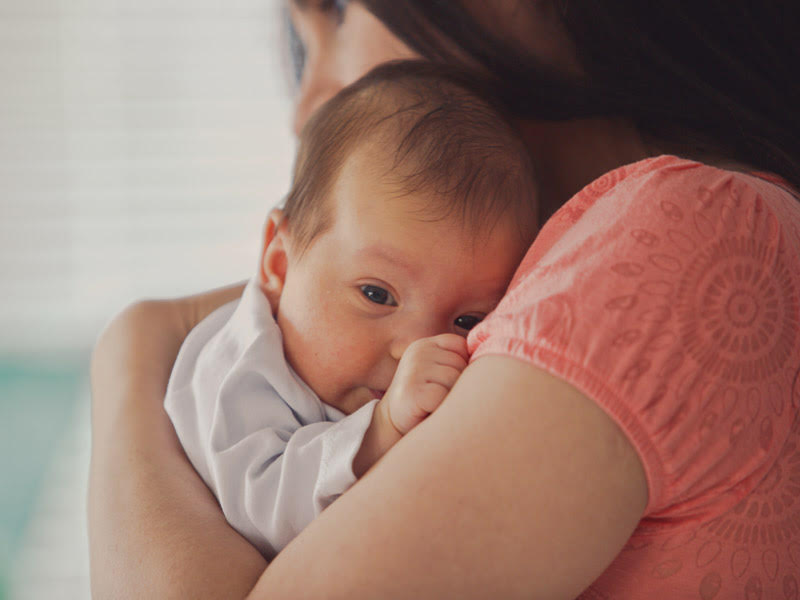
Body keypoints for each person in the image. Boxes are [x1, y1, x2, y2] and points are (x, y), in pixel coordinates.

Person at [88, 1, 800, 598]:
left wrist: (131, 359)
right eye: (376, 293)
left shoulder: (681, 236)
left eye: (333, 17)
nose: (308, 107)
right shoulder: (597, 254)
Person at [163, 62, 537, 559]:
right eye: (377, 295)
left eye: (466, 321)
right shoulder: (238, 368)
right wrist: (380, 430)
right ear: (279, 261)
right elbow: (263, 513)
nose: (415, 350)